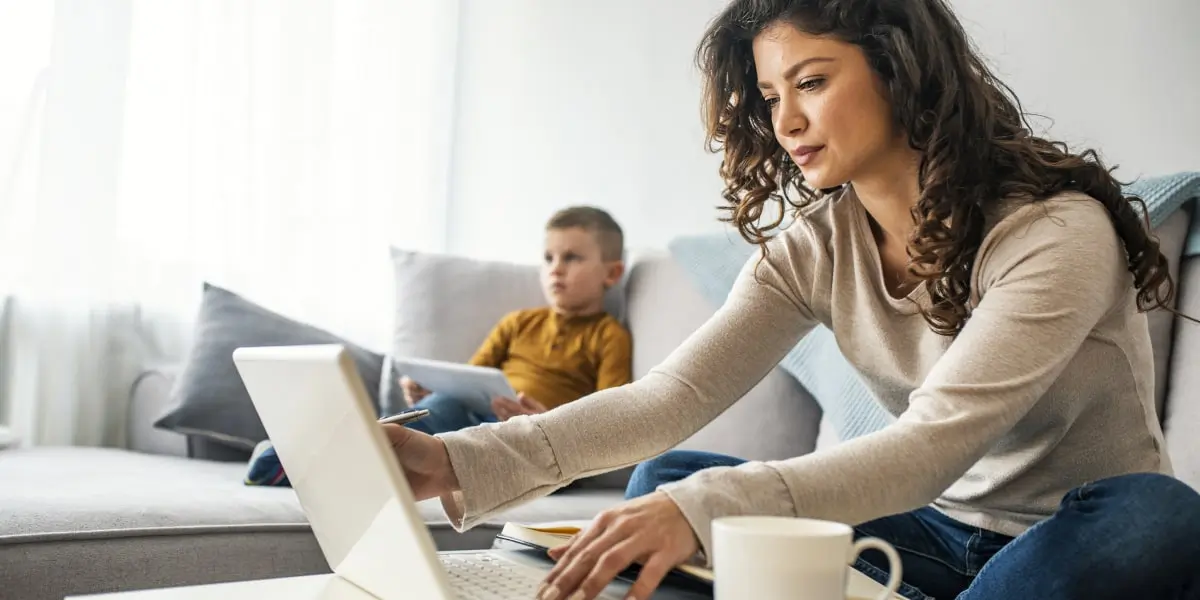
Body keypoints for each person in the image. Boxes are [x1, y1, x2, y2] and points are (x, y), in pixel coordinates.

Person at [381, 1, 1200, 598]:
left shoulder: (1055, 231)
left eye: (811, 81)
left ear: (900, 71)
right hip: (927, 534)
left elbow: (932, 444)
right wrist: (461, 457)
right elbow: (672, 397)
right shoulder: (816, 245)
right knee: (672, 474)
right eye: (772, 96)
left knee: (1160, 518)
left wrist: (703, 508)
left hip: (1072, 534)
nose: (787, 120)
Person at [400, 206, 633, 435]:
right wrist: (429, 391)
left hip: (532, 435)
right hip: (473, 415)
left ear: (612, 273)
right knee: (442, 404)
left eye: (571, 258)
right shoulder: (519, 322)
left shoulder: (610, 336)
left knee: (504, 440)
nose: (556, 269)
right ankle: (392, 440)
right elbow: (469, 380)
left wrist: (546, 424)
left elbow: (608, 420)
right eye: (548, 258)